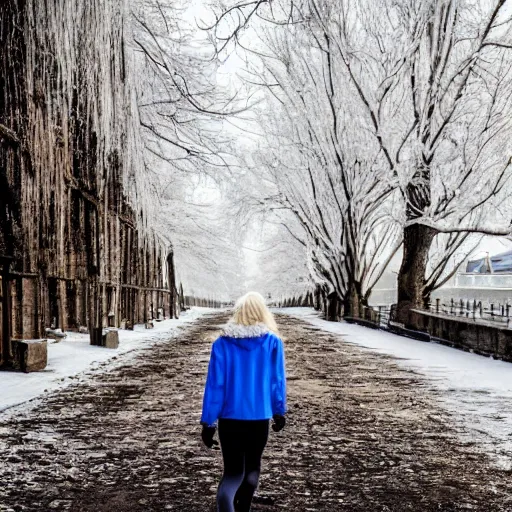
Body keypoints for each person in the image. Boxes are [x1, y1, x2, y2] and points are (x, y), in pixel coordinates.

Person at [200, 291, 287, 512]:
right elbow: (276, 381)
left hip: (230, 419)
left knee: (232, 471)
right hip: (259, 417)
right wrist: (279, 410)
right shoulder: (272, 343)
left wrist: (208, 422)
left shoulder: (221, 344)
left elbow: (215, 385)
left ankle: (225, 506)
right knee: (252, 469)